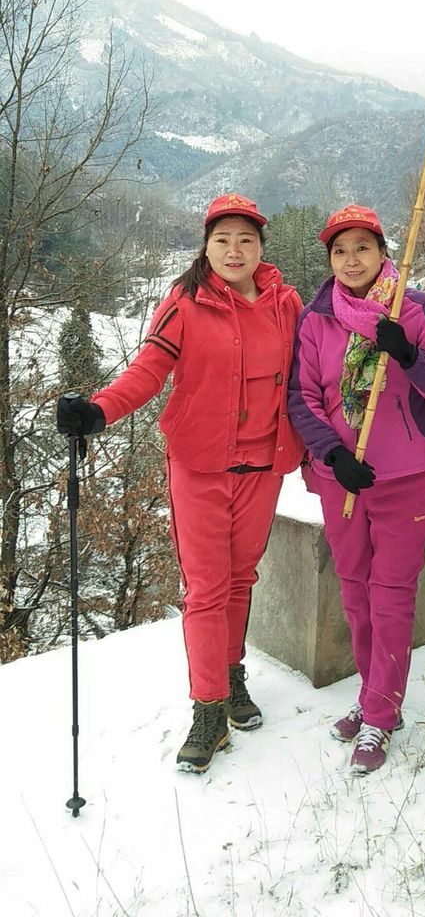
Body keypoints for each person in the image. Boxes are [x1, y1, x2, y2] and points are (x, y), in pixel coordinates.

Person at [56, 194, 303, 773]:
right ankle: (209, 706)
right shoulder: (185, 303)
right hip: (199, 466)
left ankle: (233, 675)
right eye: (223, 240)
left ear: (261, 246)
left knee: (242, 578)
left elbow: (308, 375)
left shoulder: (284, 304)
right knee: (206, 588)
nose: (235, 250)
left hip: (262, 467)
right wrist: (98, 411)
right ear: (207, 246)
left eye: (246, 239)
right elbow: (148, 370)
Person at [288, 204, 425, 775]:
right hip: (342, 479)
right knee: (355, 592)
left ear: (384, 252)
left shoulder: (413, 309)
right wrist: (333, 454)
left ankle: (381, 714)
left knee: (391, 595)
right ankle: (372, 697)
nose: (351, 259)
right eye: (340, 250)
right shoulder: (317, 319)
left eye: (362, 247)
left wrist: (407, 353)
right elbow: (302, 399)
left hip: (405, 476)